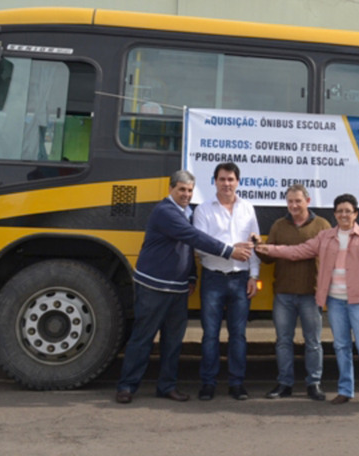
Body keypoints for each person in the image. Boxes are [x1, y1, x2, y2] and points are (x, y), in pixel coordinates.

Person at [115, 170, 252, 404]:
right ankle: (127, 386)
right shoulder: (165, 212)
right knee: (142, 338)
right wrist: (230, 251)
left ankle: (167, 386)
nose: (186, 194)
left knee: (173, 342)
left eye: (189, 190)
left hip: (178, 289)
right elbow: (193, 237)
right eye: (181, 189)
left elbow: (186, 249)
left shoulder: (186, 212)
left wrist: (190, 277)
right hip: (153, 286)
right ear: (170, 189)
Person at [256, 194, 359, 406]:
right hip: (334, 301)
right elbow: (297, 251)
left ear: (356, 214)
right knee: (341, 346)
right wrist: (268, 249)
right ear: (335, 214)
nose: (344, 215)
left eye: (348, 211)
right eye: (340, 211)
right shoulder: (325, 237)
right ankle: (345, 390)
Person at [193, 161, 261, 401]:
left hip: (241, 279)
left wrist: (254, 276)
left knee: (238, 335)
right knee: (210, 334)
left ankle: (236, 384)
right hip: (213, 278)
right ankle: (208, 384)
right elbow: (200, 246)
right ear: (215, 181)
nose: (226, 184)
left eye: (231, 179)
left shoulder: (248, 209)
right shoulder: (203, 210)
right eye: (222, 179)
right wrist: (231, 249)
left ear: (238, 182)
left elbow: (254, 245)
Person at [258, 184, 332, 401]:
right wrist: (259, 249)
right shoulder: (278, 225)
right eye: (290, 201)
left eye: (297, 201)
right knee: (283, 341)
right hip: (283, 293)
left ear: (307, 201)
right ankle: (284, 383)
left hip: (311, 293)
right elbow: (269, 257)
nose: (293, 205)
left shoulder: (322, 225)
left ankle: (314, 383)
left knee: (313, 342)